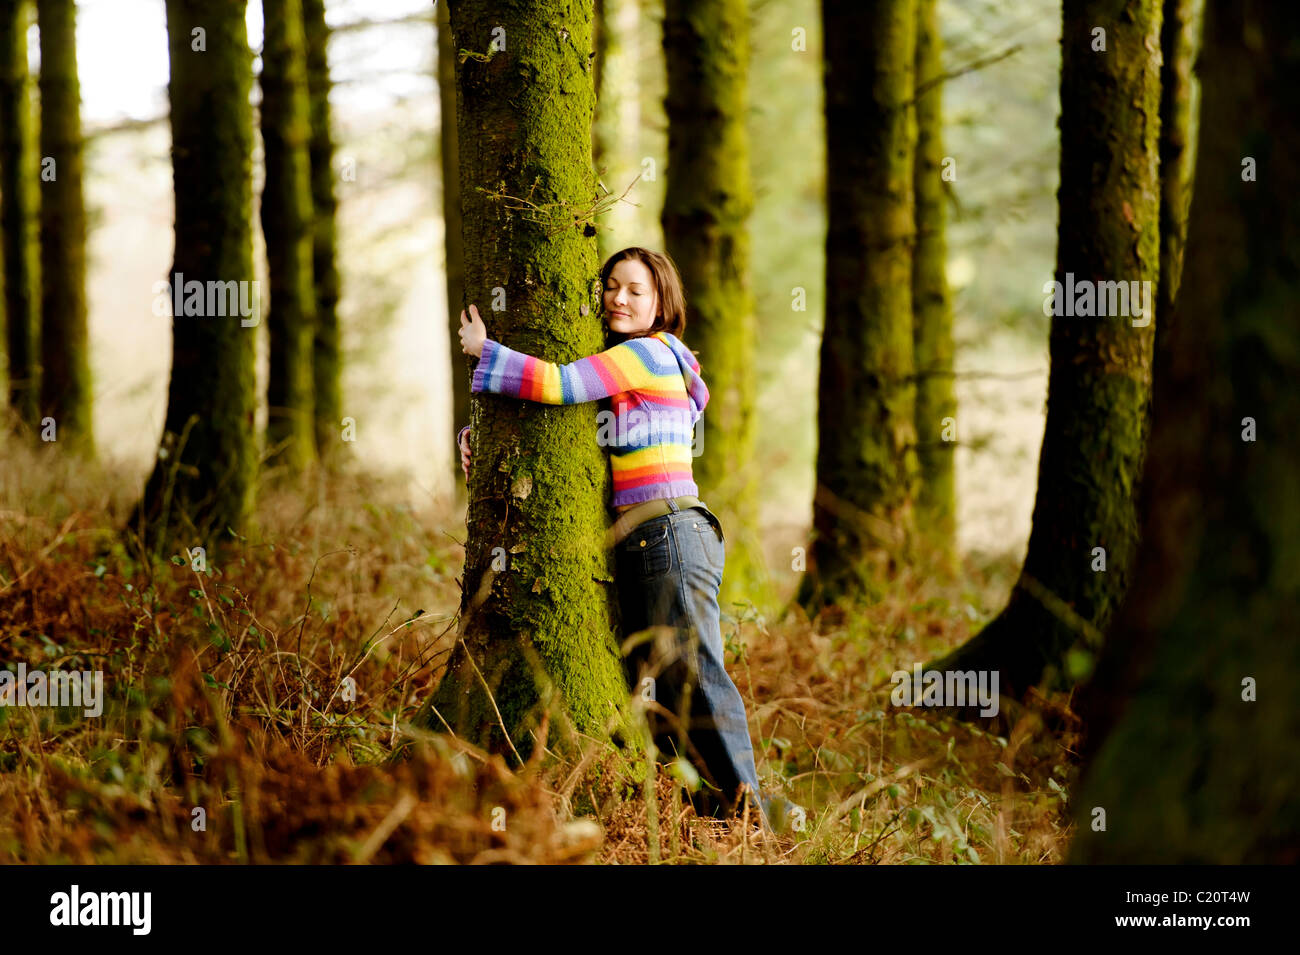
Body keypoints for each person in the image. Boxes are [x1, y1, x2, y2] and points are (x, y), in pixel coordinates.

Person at [455, 247, 768, 827]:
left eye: (635, 290)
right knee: (662, 694)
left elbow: (564, 385)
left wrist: (485, 353)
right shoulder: (639, 371)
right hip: (656, 541)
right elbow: (581, 452)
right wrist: (485, 440)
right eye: (611, 287)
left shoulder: (645, 353)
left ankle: (756, 821)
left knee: (696, 680)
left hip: (671, 535)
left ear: (661, 303)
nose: (619, 299)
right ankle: (712, 819)